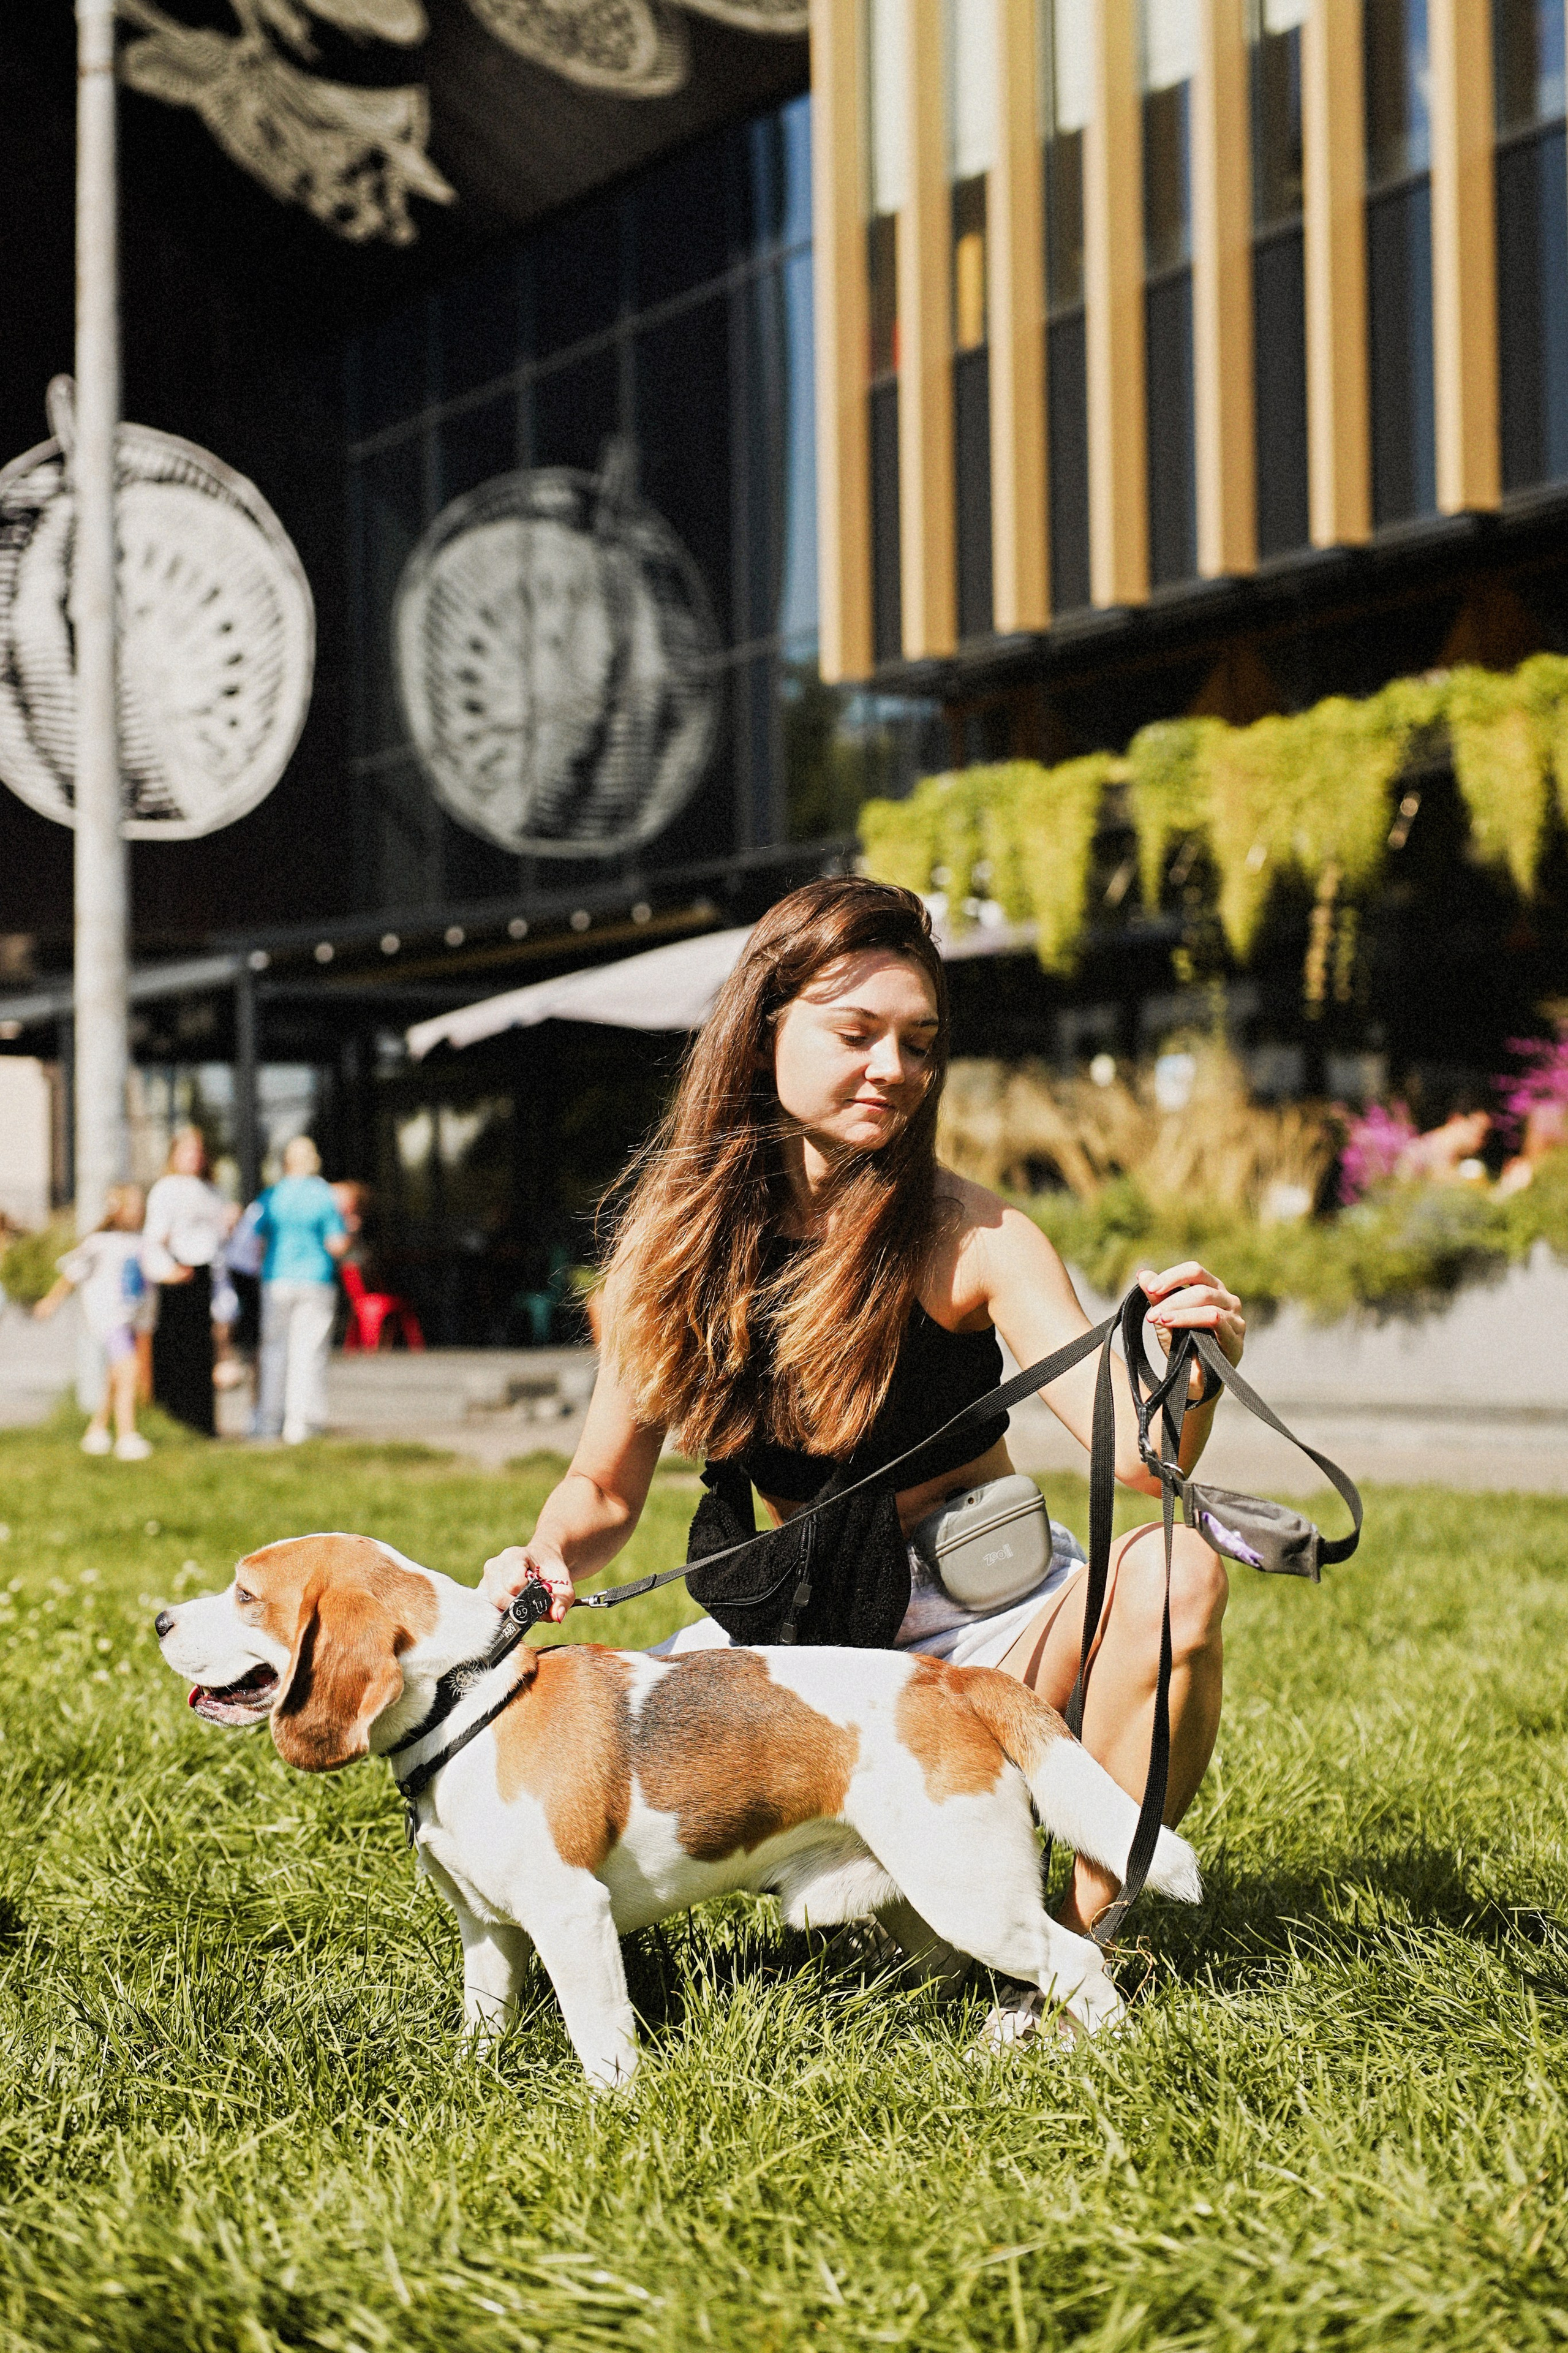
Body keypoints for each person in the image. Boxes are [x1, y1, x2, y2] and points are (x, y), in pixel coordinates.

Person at [482, 878, 1244, 1996]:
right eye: (857, 1033)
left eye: (919, 1043)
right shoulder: (669, 1249)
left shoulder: (973, 1234)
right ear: (763, 1032)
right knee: (561, 1733)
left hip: (999, 1625)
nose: (893, 1069)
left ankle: (1073, 1957)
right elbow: (600, 1488)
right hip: (804, 1645)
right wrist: (545, 1560)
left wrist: (1199, 1366)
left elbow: (1133, 1457)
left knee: (1175, 1571)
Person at [34, 1184, 153, 1460]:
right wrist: (50, 1302)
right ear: (119, 1211)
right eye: (135, 1206)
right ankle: (127, 1436)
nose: (140, 1211)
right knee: (129, 1370)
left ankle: (97, 1430)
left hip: (131, 1316)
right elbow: (71, 1275)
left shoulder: (139, 1241)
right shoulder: (100, 1243)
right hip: (109, 1317)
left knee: (117, 1374)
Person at [253, 1136, 349, 1445]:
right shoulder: (324, 1195)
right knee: (308, 1351)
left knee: (274, 1350)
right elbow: (336, 1244)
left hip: (276, 1280)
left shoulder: (272, 1196)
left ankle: (269, 1420)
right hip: (315, 1280)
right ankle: (300, 1423)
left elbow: (258, 1242)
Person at [142, 1128, 233, 1437]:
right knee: (176, 1351)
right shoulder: (167, 1189)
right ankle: (174, 1420)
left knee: (201, 1354)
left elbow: (219, 1241)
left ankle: (202, 1423)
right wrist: (167, 1269)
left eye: (198, 1151)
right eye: (187, 1151)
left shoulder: (212, 1191)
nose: (194, 1157)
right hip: (179, 1275)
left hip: (206, 1275)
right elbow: (155, 1239)